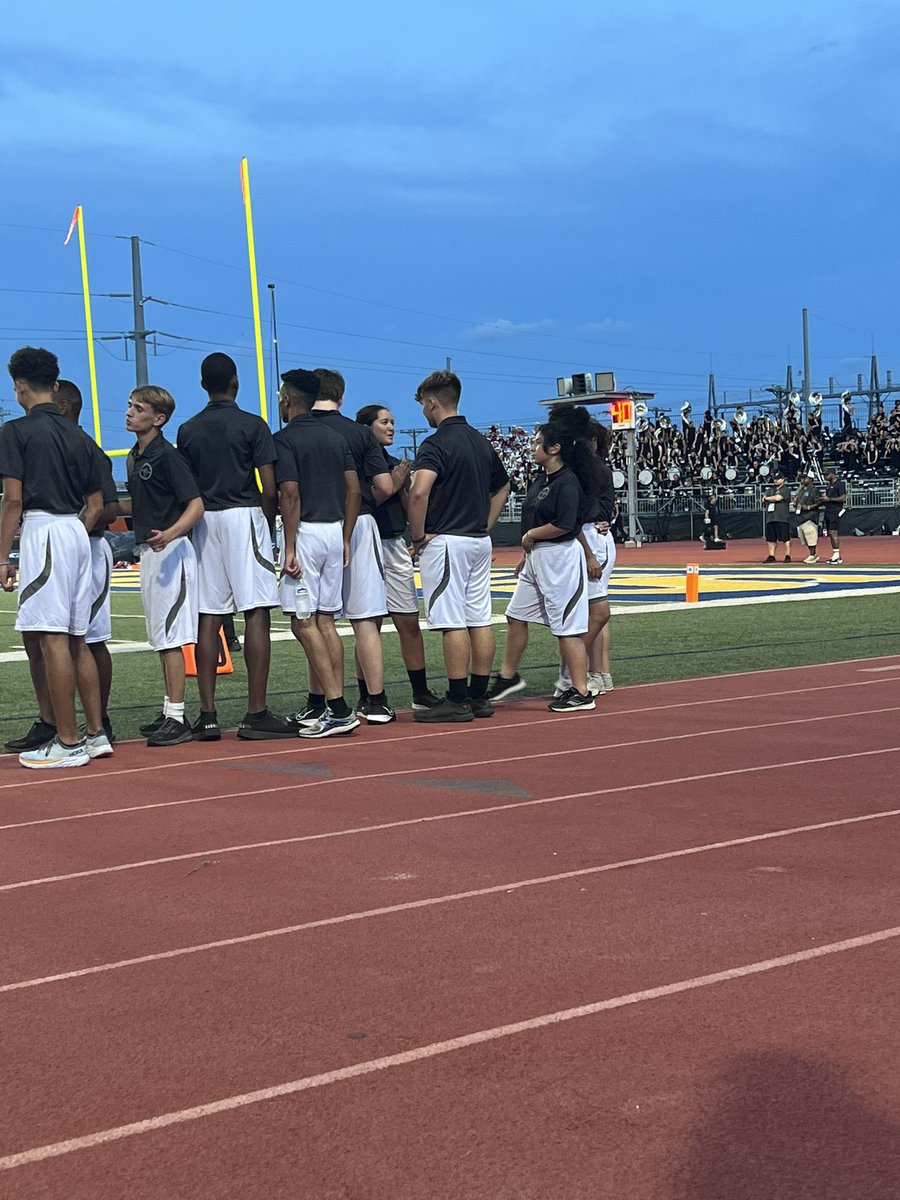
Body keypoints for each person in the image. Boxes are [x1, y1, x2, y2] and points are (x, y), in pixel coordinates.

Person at [0, 346, 111, 768]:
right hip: (77, 531)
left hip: (45, 528)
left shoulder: (17, 432)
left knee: (51, 638)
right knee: (77, 636)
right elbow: (96, 501)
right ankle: (95, 734)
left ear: (20, 386)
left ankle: (66, 742)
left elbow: (12, 501)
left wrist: (0, 557)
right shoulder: (77, 434)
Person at [176, 352, 296, 740]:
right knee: (256, 611)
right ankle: (255, 712)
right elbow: (269, 483)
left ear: (202, 384)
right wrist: (265, 519)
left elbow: (187, 486)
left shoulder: (188, 429)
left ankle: (208, 715)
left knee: (209, 616)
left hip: (205, 520)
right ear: (235, 383)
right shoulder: (252, 424)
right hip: (245, 515)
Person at [407, 370, 510, 723]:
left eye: (423, 403)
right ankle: (479, 696)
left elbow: (419, 491)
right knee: (479, 618)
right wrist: (485, 523)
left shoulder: (436, 444)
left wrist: (418, 535)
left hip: (447, 541)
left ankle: (457, 698)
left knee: (451, 621)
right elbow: (502, 487)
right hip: (478, 540)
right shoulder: (481, 442)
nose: (422, 410)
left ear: (432, 402)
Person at [274, 369, 361, 739]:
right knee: (326, 622)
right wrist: (345, 536)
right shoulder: (333, 436)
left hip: (306, 531)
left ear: (287, 399)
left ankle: (338, 708)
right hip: (333, 529)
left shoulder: (284, 439)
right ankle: (333, 705)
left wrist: (290, 546)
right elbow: (354, 490)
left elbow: (290, 494)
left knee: (303, 622)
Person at [486, 422, 594, 712]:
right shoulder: (541, 480)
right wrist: (527, 553)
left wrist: (532, 536)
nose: (532, 447)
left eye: (537, 443)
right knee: (515, 615)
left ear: (554, 448)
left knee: (567, 628)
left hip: (560, 560)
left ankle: (582, 691)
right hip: (537, 557)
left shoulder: (567, 482)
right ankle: (508, 676)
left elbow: (565, 524)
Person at [310, 368, 396, 724]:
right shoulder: (360, 434)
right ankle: (375, 701)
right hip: (358, 522)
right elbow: (386, 487)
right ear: (341, 397)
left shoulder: (299, 430)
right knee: (365, 619)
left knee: (316, 621)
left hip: (313, 526)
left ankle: (323, 702)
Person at [124, 386, 204, 746]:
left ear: (158, 419)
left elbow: (196, 505)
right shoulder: (135, 455)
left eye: (138, 408)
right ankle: (170, 709)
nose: (129, 412)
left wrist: (170, 534)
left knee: (171, 637)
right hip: (150, 551)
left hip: (171, 552)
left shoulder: (167, 457)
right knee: (161, 637)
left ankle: (177, 716)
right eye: (130, 406)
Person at [355, 403, 441, 712]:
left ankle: (420, 691)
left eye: (392, 422)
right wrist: (392, 483)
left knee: (409, 622)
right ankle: (367, 695)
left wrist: (403, 485)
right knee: (368, 624)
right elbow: (367, 500)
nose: (391, 427)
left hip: (393, 543)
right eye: (384, 422)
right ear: (367, 428)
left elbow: (406, 511)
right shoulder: (357, 464)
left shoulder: (394, 462)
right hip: (365, 543)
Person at [793, 470, 823, 564]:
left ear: (810, 479)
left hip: (810, 516)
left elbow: (819, 502)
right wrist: (795, 503)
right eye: (802, 478)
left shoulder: (814, 490)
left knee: (810, 536)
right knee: (804, 539)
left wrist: (809, 507)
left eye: (805, 478)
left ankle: (812, 555)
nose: (802, 479)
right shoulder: (801, 489)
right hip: (801, 516)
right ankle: (812, 554)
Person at [762, 472, 793, 562]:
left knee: (785, 538)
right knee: (771, 539)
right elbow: (763, 499)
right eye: (775, 479)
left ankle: (787, 555)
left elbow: (778, 498)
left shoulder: (785, 489)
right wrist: (768, 498)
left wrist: (767, 498)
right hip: (771, 517)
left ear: (783, 479)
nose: (776, 480)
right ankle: (771, 555)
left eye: (778, 479)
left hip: (782, 517)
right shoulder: (770, 489)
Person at [822, 469, 846, 564]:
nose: (825, 477)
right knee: (830, 533)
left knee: (833, 532)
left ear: (833, 474)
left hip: (835, 511)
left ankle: (837, 554)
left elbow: (843, 498)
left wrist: (830, 499)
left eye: (827, 475)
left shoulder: (839, 484)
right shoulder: (829, 485)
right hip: (828, 510)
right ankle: (835, 553)